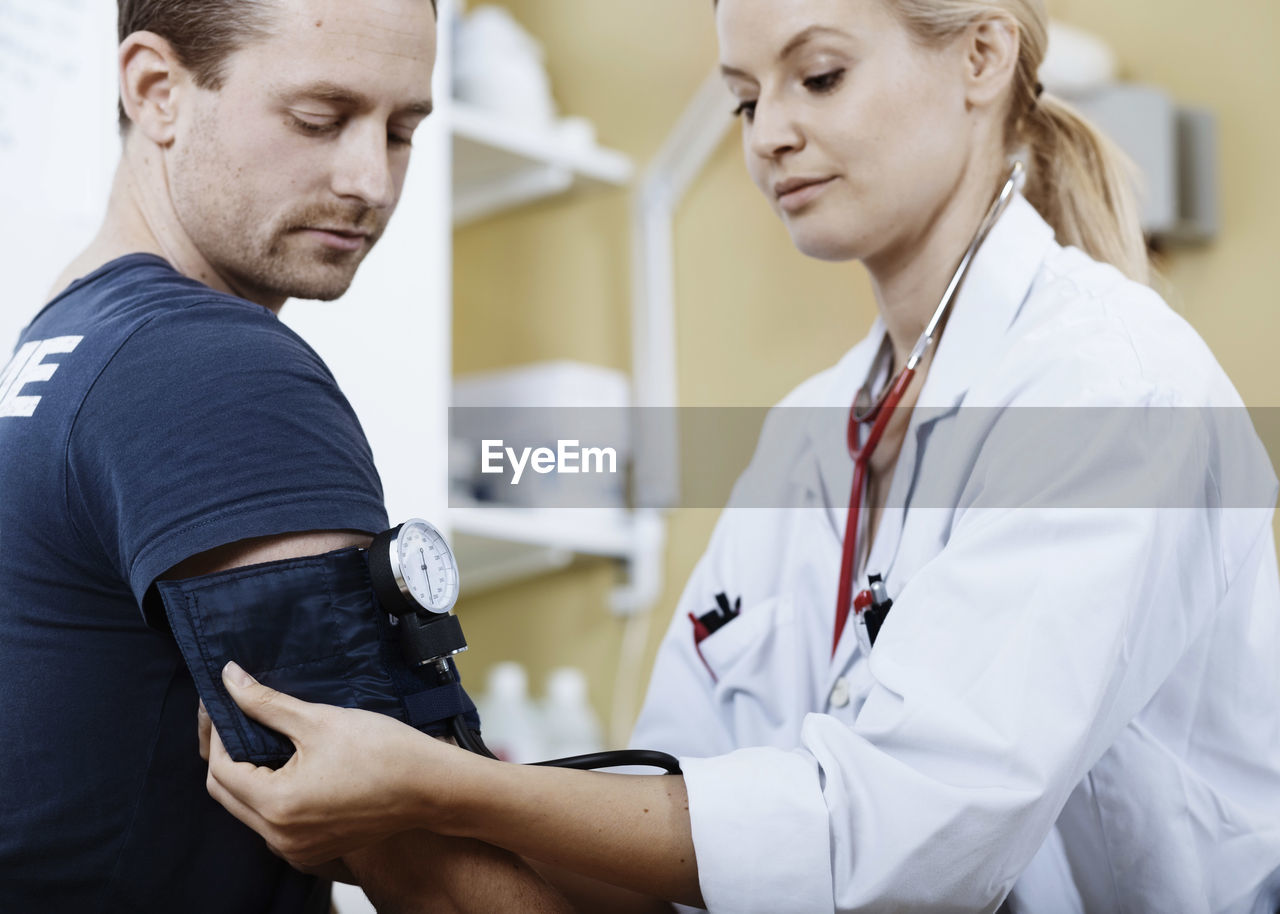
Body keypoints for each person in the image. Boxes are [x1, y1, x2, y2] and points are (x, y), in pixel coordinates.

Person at [202, 0, 1280, 911]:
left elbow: (891, 840)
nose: (767, 135)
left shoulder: (1108, 383)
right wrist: (436, 816)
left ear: (980, 58)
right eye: (745, 98)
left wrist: (445, 792)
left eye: (817, 75)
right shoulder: (808, 435)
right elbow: (692, 833)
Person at [0, 0, 574, 911]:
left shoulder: (65, 331)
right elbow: (437, 876)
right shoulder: (206, 362)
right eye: (320, 120)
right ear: (157, 91)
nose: (371, 181)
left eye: (401, 130)